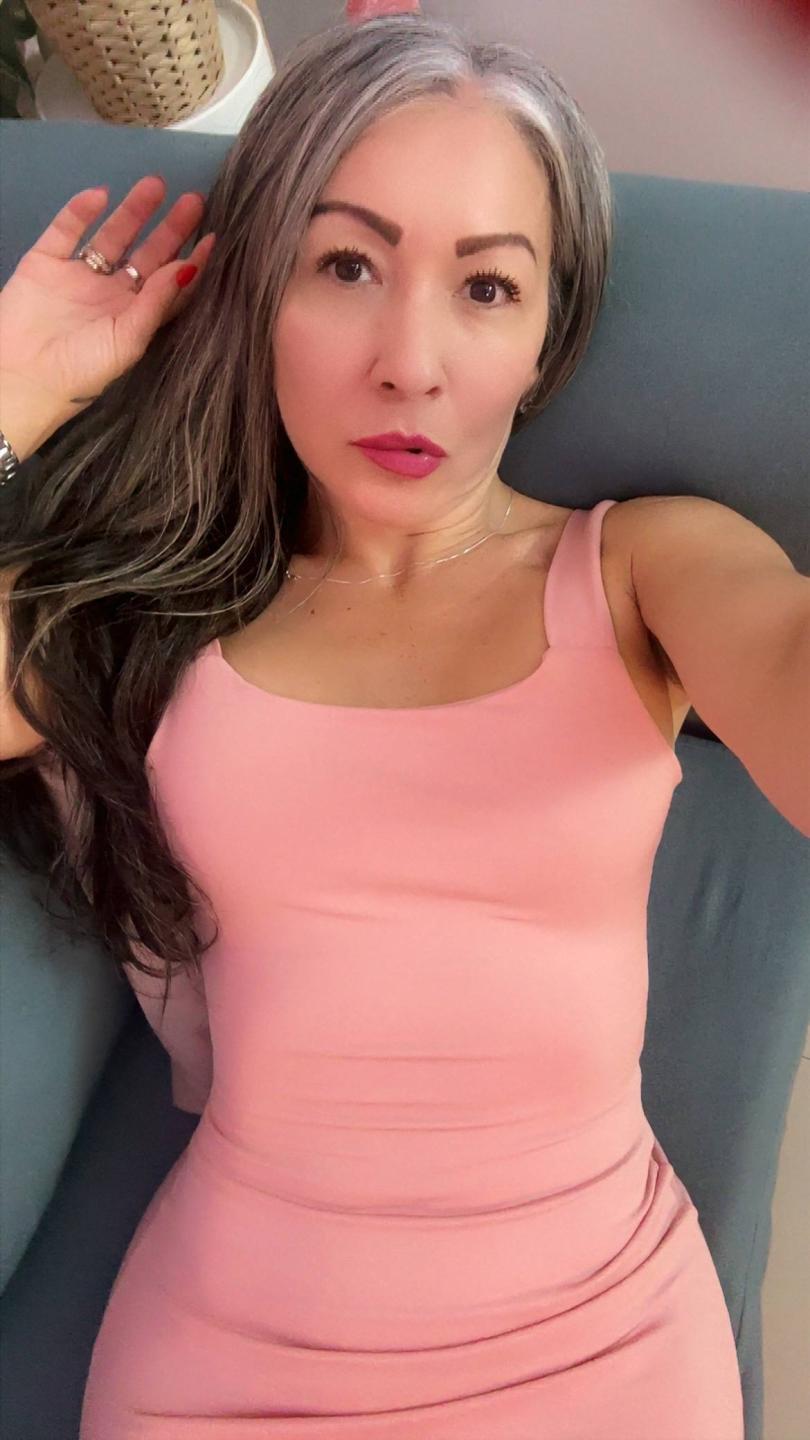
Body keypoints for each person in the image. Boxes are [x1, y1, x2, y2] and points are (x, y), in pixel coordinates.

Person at [0, 10, 744, 1438]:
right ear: (255, 289)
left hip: (600, 1354)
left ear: (547, 336)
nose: (410, 362)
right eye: (346, 265)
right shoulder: (156, 612)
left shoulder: (648, 568)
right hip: (225, 1364)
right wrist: (13, 397)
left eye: (486, 287)